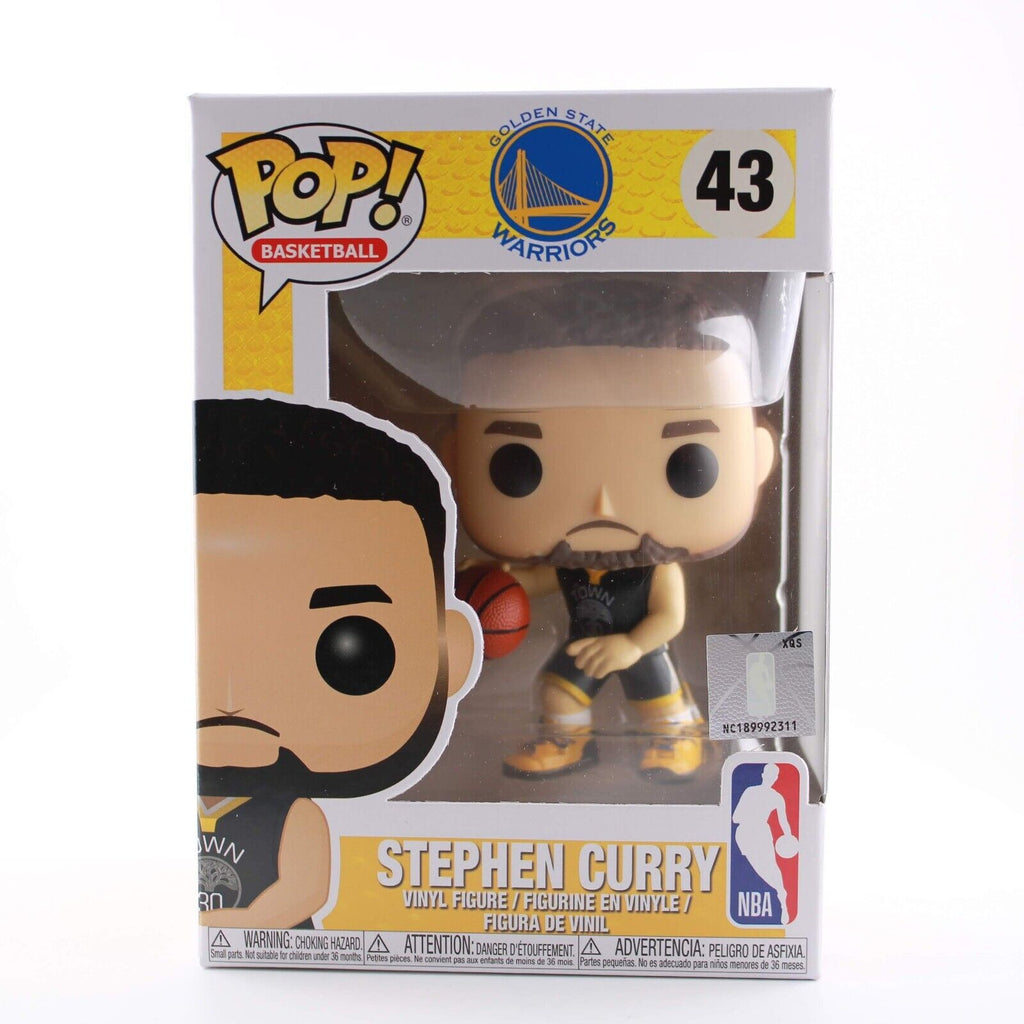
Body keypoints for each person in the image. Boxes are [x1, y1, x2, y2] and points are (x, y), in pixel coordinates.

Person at [448, 276, 776, 781]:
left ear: (756, 459)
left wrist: (633, 646)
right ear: (454, 461)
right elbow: (538, 580)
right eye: (519, 464)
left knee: (658, 703)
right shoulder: (571, 564)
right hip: (585, 645)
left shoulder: (657, 569)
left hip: (640, 648)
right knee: (556, 693)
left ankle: (678, 737)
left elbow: (670, 618)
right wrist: (500, 580)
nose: (602, 503)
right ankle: (567, 741)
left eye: (688, 465)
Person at [196, 397, 475, 928]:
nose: (232, 701)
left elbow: (303, 891)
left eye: (352, 648)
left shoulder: (295, 815)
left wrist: (220, 930)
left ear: (450, 656)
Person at [731, 763, 795, 924]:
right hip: (746, 835)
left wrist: (788, 837)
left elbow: (784, 822)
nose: (771, 778)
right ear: (764, 775)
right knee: (762, 868)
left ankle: (782, 896)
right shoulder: (751, 792)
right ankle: (781, 892)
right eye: (769, 774)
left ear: (775, 778)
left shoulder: (775, 797)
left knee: (770, 866)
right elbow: (735, 817)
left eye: (773, 776)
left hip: (759, 833)